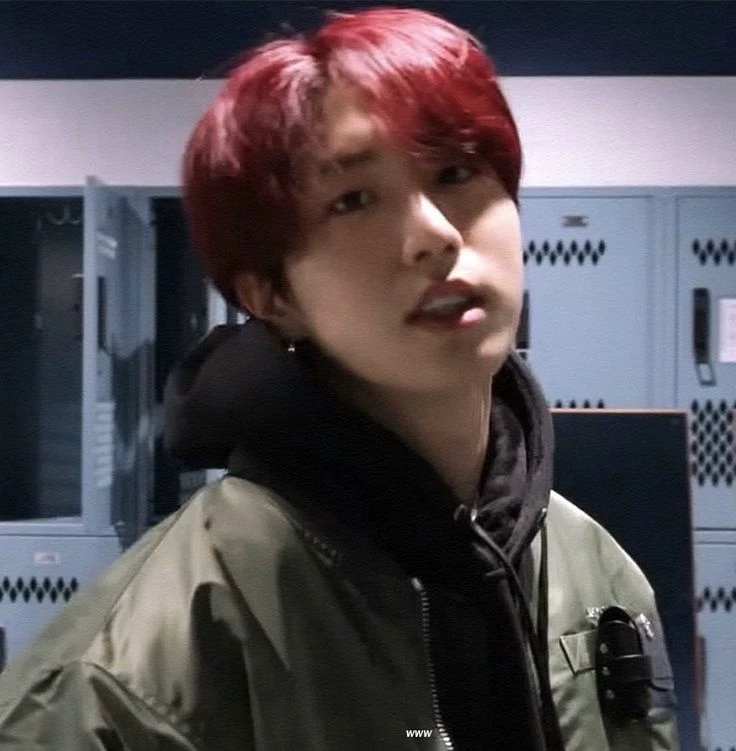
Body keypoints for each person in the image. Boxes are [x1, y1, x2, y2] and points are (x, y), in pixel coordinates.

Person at [0, 7, 679, 750]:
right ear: (271, 295)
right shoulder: (130, 671)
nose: (435, 234)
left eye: (455, 173)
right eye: (353, 200)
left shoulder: (596, 571)